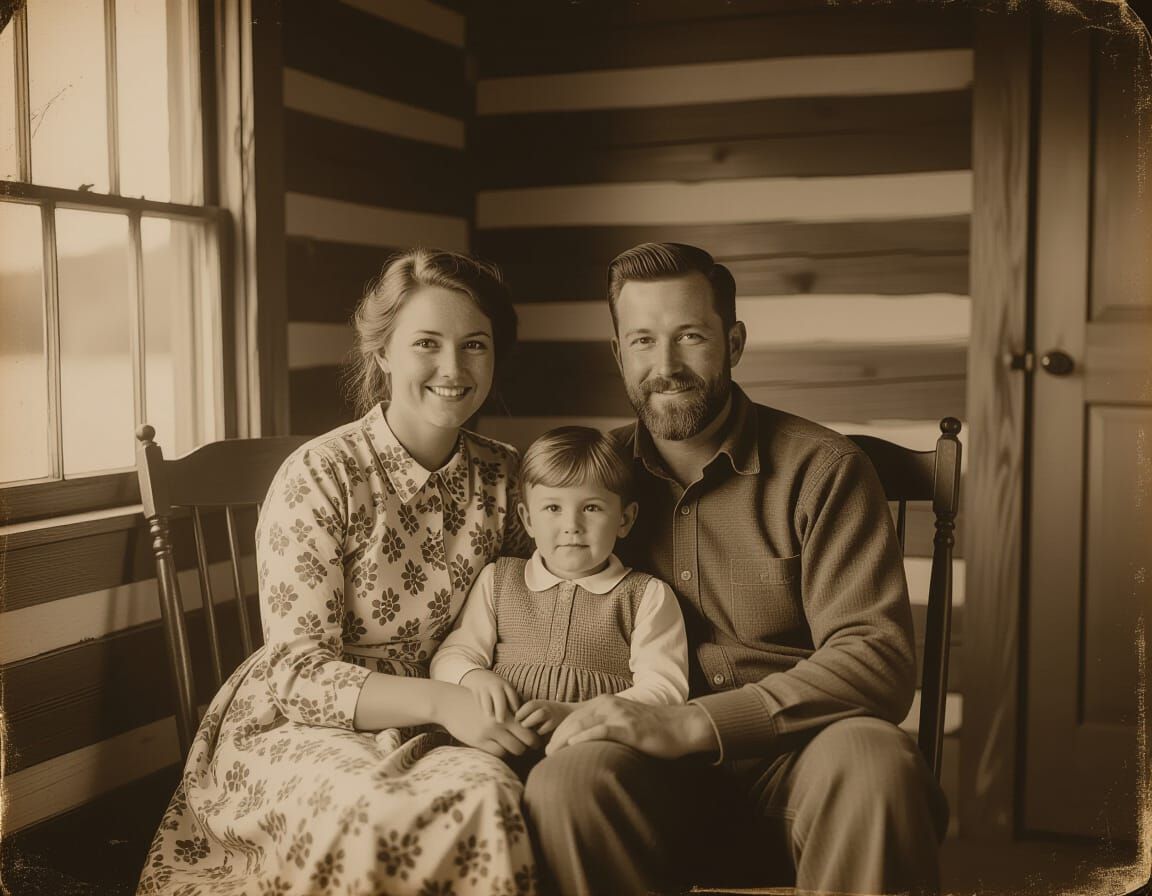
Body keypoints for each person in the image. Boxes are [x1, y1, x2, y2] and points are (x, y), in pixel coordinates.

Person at [519, 243, 949, 896]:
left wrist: (695, 723)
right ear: (618, 354)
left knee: (876, 760)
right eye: (642, 341)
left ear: (735, 341)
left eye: (690, 336)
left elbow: (877, 657)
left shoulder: (822, 469)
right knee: (566, 781)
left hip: (803, 759)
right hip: (646, 775)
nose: (664, 367)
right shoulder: (588, 484)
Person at [138, 249, 545, 896]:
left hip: (457, 710)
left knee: (489, 791)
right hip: (308, 724)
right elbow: (298, 675)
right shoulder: (322, 475)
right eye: (426, 344)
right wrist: (444, 701)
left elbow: (542, 609)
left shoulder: (505, 475)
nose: (453, 369)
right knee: (383, 811)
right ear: (382, 354)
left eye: (475, 345)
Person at [430, 426, 689, 745]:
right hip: (498, 737)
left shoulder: (645, 595)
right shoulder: (500, 580)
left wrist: (577, 713)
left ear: (625, 519)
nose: (571, 526)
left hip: (593, 742)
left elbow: (666, 690)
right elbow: (452, 655)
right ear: (527, 519)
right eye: (553, 508)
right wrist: (473, 676)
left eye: (591, 508)